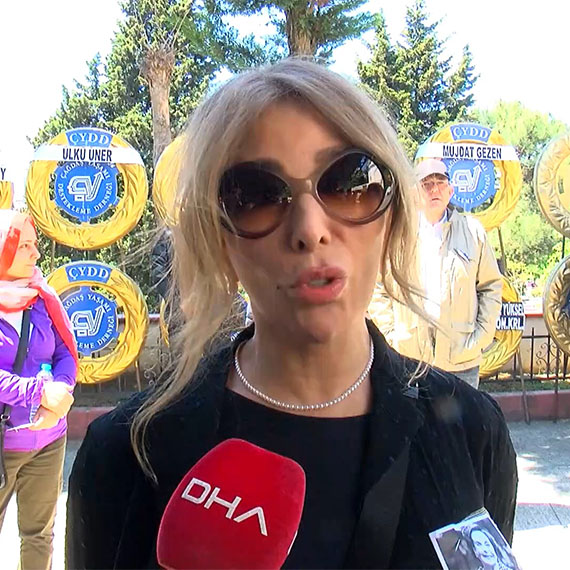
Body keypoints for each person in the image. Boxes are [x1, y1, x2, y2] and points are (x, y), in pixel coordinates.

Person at [66, 59, 517, 569]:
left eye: (349, 181)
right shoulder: (126, 455)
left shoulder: (473, 432)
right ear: (217, 239)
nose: (309, 228)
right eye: (256, 195)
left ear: (390, 216)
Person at [371, 158, 502, 388]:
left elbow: (490, 287)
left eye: (440, 183)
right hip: (410, 362)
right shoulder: (396, 234)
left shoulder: (473, 232)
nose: (434, 190)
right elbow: (378, 286)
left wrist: (480, 336)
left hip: (461, 363)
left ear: (450, 191)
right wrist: (391, 336)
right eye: (427, 184)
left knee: (463, 414)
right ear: (414, 193)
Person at [0, 210, 77, 570]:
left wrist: (59, 394)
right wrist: (37, 393)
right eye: (25, 245)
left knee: (39, 536)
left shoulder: (43, 297)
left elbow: (66, 352)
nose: (36, 253)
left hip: (48, 441)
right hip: (4, 444)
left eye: (34, 244)